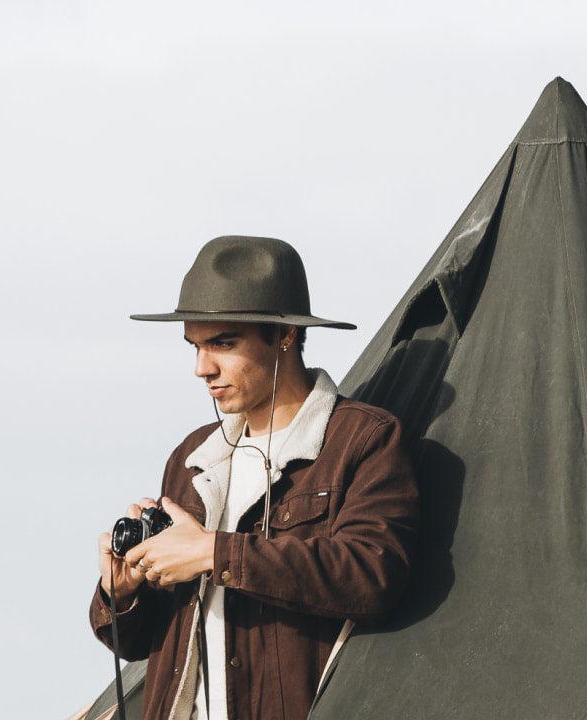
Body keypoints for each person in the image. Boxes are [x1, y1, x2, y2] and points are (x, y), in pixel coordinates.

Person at [90, 235, 419, 720]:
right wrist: (123, 594)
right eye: (195, 346)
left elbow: (374, 574)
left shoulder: (363, 439)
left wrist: (214, 553)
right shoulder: (192, 457)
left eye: (223, 343)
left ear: (284, 335)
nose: (202, 368)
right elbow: (145, 646)